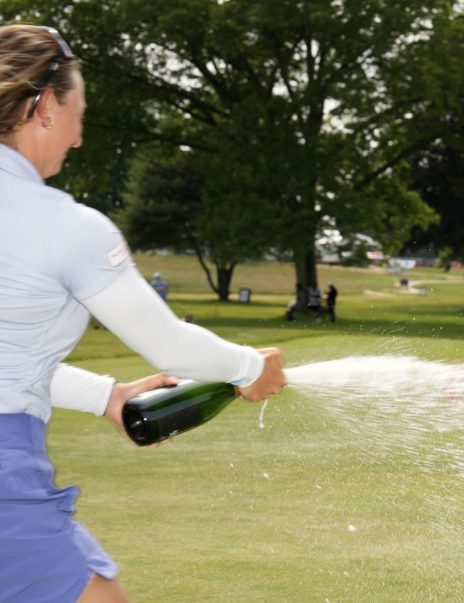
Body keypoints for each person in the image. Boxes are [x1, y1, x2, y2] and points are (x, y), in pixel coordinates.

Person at [0, 25, 288, 603]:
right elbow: (169, 345)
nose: (79, 138)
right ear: (45, 107)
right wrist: (248, 369)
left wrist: (105, 395)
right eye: (78, 112)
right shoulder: (64, 225)